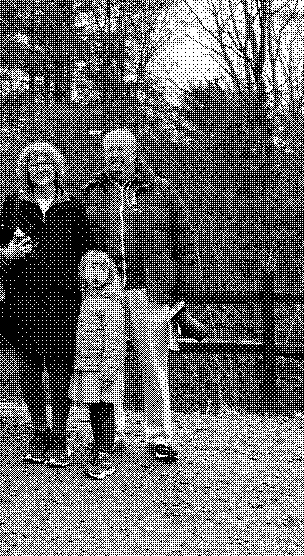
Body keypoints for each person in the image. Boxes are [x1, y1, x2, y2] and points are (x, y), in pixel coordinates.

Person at [83, 127, 201, 462]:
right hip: (104, 290)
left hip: (148, 287)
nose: (115, 155)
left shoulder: (161, 189)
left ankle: (159, 435)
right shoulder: (92, 191)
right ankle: (113, 432)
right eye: (109, 150)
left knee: (153, 363)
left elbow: (185, 243)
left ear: (135, 152)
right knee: (108, 362)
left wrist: (178, 288)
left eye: (121, 149)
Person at [0, 141, 96, 466]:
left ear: (56, 169)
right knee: (30, 365)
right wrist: (7, 253)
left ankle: (60, 437)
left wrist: (94, 264)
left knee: (61, 365)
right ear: (26, 171)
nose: (41, 169)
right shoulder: (13, 204)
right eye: (34, 164)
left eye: (46, 163)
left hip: (63, 295)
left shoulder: (75, 206)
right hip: (24, 293)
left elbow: (92, 247)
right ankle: (39, 433)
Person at [72, 250, 126, 479]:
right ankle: (101, 442)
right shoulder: (84, 298)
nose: (96, 273)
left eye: (101, 268)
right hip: (86, 364)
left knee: (105, 407)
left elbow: (114, 337)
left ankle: (103, 452)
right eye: (91, 268)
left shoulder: (110, 301)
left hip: (105, 365)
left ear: (110, 272)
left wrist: (110, 368)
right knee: (94, 407)